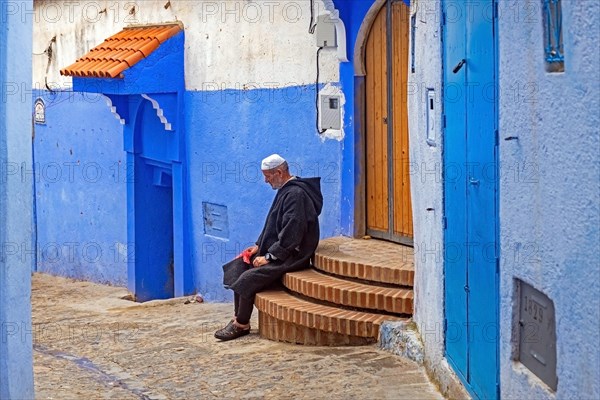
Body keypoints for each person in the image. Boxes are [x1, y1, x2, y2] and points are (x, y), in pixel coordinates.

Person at [214, 154, 323, 341]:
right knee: (240, 265)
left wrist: (270, 257)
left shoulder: (295, 195)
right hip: (282, 250)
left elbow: (293, 231)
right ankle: (236, 319)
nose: (265, 180)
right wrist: (258, 247)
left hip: (293, 254)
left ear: (279, 172)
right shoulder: (287, 190)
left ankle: (242, 324)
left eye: (268, 176)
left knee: (248, 278)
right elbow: (272, 224)